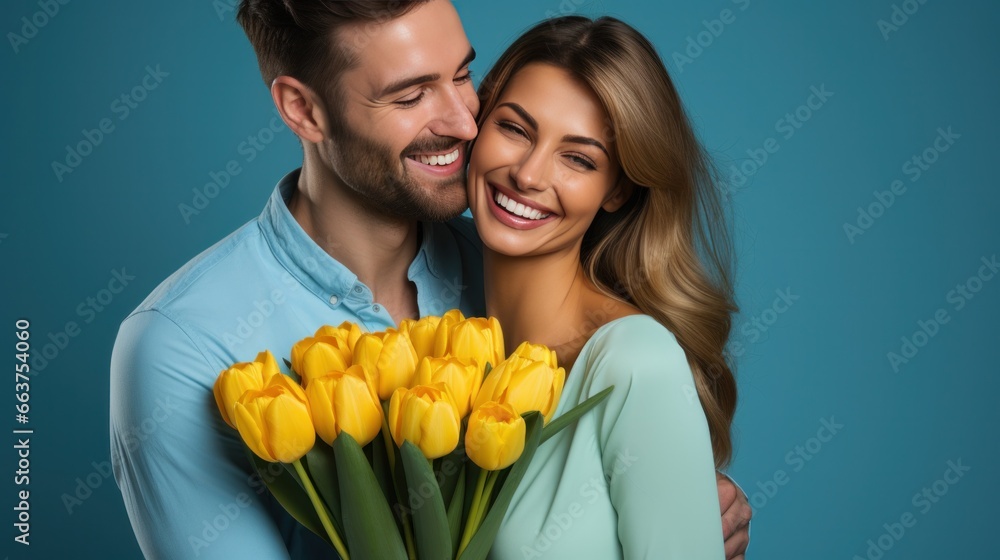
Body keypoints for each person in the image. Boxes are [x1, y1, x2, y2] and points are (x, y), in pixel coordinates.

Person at [109, 2, 750, 558]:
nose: (467, 122)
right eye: (412, 95)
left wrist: (675, 501)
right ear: (303, 109)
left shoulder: (513, 265)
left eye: (465, 76)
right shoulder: (183, 345)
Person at [465, 16, 739, 558]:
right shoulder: (444, 341)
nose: (529, 174)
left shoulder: (636, 363)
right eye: (515, 129)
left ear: (616, 190)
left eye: (578, 159)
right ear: (477, 122)